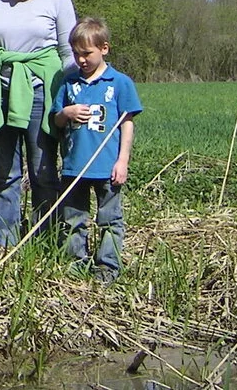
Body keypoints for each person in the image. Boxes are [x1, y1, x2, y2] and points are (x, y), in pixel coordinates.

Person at [0, 0, 77, 247]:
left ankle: (44, 237)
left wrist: (71, 93)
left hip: (40, 90)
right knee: (3, 169)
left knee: (42, 169)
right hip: (2, 91)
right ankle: (2, 240)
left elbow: (69, 52)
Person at [51, 18, 142, 282]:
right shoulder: (69, 83)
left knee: (110, 220)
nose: (81, 60)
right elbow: (55, 119)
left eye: (87, 53)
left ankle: (107, 268)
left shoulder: (120, 83)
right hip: (74, 166)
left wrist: (122, 161)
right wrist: (66, 113)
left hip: (106, 166)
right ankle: (75, 265)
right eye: (77, 54)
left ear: (104, 48)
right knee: (72, 219)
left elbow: (127, 124)